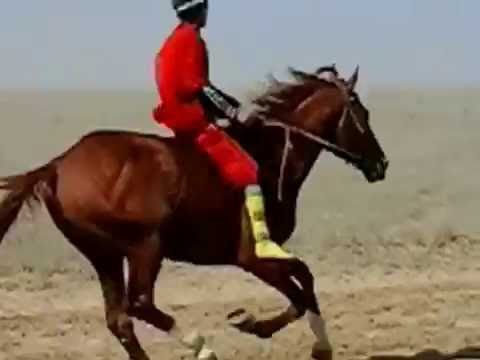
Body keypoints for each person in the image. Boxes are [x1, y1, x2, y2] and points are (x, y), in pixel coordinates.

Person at [152, 0, 292, 260]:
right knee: (248, 170)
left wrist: (228, 109)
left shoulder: (172, 41)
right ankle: (261, 241)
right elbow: (199, 86)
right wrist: (235, 113)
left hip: (179, 116)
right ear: (200, 10)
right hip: (192, 120)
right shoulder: (191, 40)